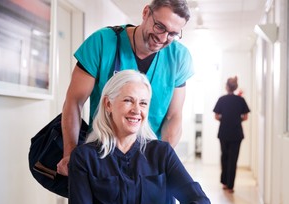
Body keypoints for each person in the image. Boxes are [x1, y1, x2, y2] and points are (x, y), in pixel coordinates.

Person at [68, 70, 213, 204]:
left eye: (143, 103)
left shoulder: (161, 153)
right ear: (108, 104)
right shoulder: (84, 157)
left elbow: (199, 201)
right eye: (128, 100)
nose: (137, 110)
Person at [57, 0, 194, 176]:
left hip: (150, 160)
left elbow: (173, 116)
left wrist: (161, 160)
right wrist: (71, 154)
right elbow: (74, 102)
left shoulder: (179, 57)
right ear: (146, 13)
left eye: (172, 34)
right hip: (103, 155)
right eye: (160, 26)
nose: (163, 38)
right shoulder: (102, 42)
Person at [213, 76, 250, 193]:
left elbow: (216, 116)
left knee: (224, 157)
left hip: (224, 132)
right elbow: (245, 116)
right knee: (233, 159)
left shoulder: (222, 99)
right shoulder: (241, 100)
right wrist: (236, 120)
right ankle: (230, 186)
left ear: (227, 86)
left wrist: (225, 119)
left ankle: (224, 182)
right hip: (236, 133)